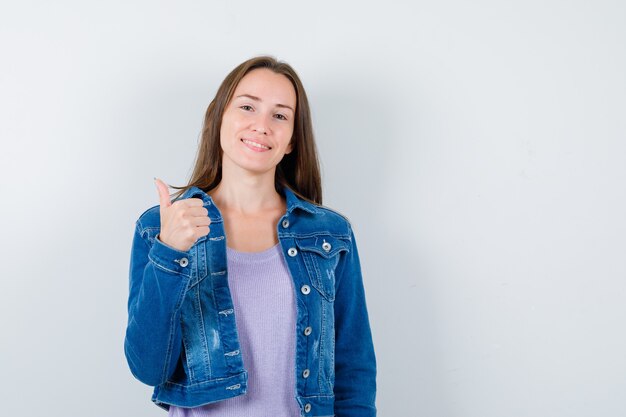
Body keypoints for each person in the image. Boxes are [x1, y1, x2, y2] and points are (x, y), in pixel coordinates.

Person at [124, 55, 376, 417]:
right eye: (247, 107)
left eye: (280, 115)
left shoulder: (330, 235)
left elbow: (354, 371)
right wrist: (170, 253)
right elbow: (147, 367)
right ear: (219, 118)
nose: (262, 126)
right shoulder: (161, 227)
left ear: (291, 140)